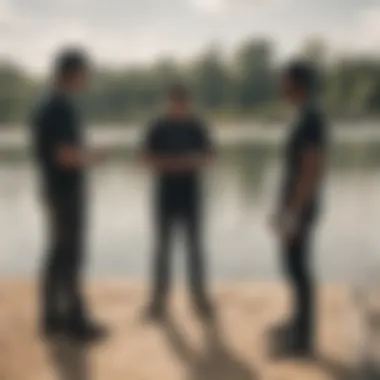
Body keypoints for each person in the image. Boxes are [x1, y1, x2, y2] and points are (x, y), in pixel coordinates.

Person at [31, 48, 107, 342]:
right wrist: (93, 157)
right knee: (71, 255)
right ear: (72, 73)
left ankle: (51, 319)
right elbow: (64, 155)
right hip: (65, 191)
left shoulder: (45, 104)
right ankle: (76, 322)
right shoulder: (60, 107)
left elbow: (52, 154)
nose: (86, 80)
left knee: (56, 254)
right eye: (85, 74)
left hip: (52, 188)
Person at [141, 84, 216, 321]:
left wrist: (189, 162)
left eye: (183, 103)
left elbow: (211, 157)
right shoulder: (158, 127)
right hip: (164, 196)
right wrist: (177, 163)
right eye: (175, 103)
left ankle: (199, 297)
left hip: (192, 196)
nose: (179, 107)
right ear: (168, 103)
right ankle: (158, 300)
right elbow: (143, 158)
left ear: (189, 103)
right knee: (162, 249)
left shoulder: (197, 127)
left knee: (195, 248)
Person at [271, 61, 328, 356]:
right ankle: (297, 323)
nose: (280, 86)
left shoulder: (311, 119)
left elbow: (310, 168)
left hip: (301, 208)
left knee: (298, 269)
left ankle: (304, 340)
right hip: (294, 206)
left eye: (284, 81)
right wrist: (280, 209)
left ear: (297, 84)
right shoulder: (302, 116)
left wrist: (293, 212)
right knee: (292, 267)